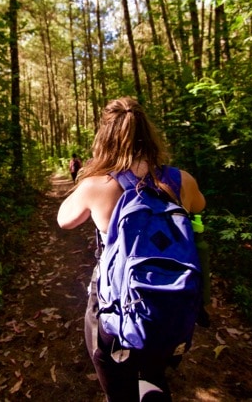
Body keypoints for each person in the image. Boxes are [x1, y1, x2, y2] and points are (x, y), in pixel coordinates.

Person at [57, 97, 206, 402]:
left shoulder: (96, 185)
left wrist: (88, 178)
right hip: (169, 303)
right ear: (149, 135)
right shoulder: (182, 181)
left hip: (114, 306)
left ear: (105, 137)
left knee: (113, 373)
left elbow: (64, 220)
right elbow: (200, 206)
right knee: (154, 371)